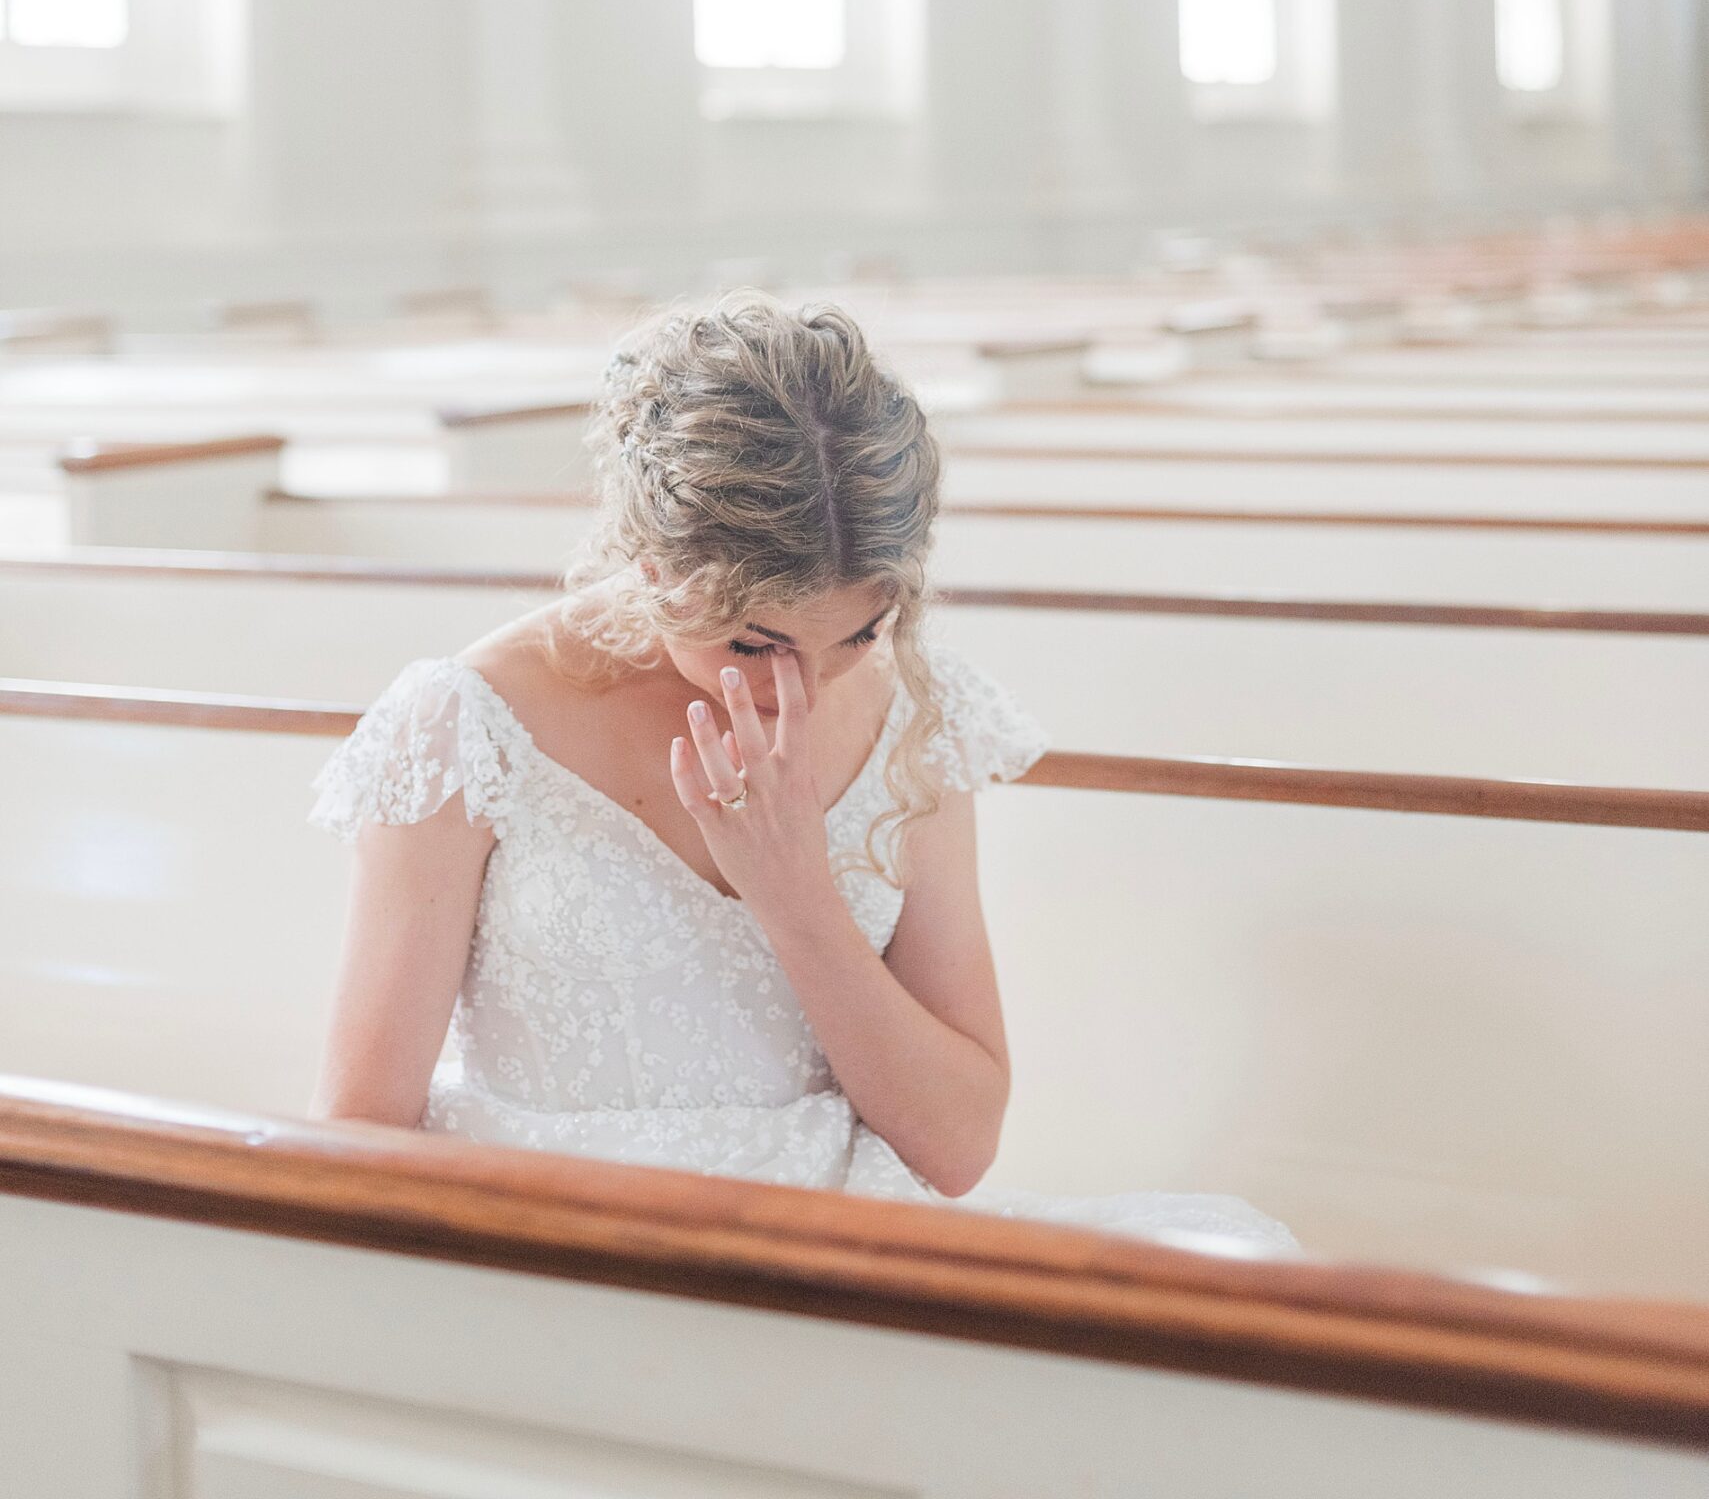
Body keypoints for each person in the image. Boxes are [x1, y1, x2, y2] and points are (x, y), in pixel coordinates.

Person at [309, 294, 1293, 1251]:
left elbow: (954, 1148)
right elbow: (360, 1132)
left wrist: (795, 895)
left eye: (857, 636)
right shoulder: (466, 724)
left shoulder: (919, 713)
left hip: (836, 1250)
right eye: (752, 645)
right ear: (652, 570)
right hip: (551, 1248)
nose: (805, 693)